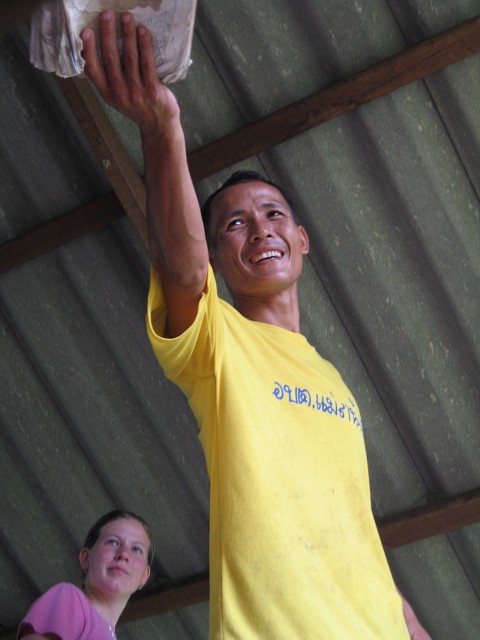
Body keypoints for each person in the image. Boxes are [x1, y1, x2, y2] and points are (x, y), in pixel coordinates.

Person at [81, 11, 431, 639]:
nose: (261, 229)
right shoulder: (216, 340)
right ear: (216, 257)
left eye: (273, 214)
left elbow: (354, 530)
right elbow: (181, 267)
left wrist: (413, 625)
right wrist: (162, 128)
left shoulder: (334, 381)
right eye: (235, 224)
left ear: (301, 238)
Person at [17, 509, 154, 640]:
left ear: (145, 576)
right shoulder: (68, 598)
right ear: (86, 558)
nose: (123, 554)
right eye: (113, 542)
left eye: (136, 549)